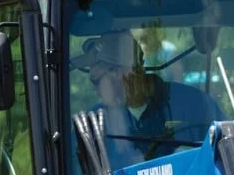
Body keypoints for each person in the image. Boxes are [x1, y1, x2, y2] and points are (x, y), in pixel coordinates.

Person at [87, 31, 223, 167]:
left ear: (117, 73)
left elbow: (227, 155)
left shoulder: (194, 104)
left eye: (95, 80)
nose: (93, 89)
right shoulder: (92, 124)